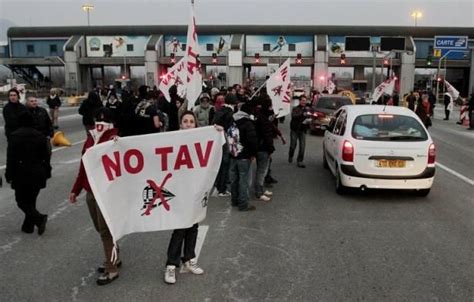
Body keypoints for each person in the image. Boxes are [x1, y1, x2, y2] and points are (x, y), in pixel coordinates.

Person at [69, 108, 121, 285]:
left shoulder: (116, 139)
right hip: (91, 191)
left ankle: (111, 268)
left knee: (105, 230)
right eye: (98, 120)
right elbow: (84, 166)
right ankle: (114, 255)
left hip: (107, 192)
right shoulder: (91, 138)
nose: (101, 123)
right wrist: (75, 190)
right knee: (99, 228)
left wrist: (117, 143)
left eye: (104, 120)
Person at [164, 111, 206, 285]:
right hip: (178, 191)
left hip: (195, 191)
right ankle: (171, 266)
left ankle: (189, 259)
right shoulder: (171, 140)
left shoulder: (202, 140)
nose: (188, 124)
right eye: (185, 121)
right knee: (180, 228)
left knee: (193, 226)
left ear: (195, 125)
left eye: (191, 121)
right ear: (181, 124)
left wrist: (218, 131)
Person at [5, 112, 50, 234]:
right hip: (37, 170)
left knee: (21, 200)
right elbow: (46, 155)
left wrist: (8, 174)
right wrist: (47, 170)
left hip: (21, 171)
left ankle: (39, 218)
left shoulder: (14, 136)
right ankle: (28, 226)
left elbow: (11, 158)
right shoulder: (40, 136)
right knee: (31, 198)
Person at [229, 103, 258, 211]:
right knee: (244, 180)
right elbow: (252, 140)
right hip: (244, 156)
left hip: (233, 154)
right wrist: (253, 154)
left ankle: (234, 200)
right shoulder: (248, 123)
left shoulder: (233, 121)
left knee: (234, 179)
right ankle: (243, 203)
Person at [212, 94, 237, 197]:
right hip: (226, 141)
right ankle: (222, 189)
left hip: (217, 141)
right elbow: (231, 129)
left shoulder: (219, 110)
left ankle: (218, 187)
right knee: (225, 164)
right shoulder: (230, 113)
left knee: (219, 164)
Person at [254, 103, 275, 201]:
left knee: (262, 170)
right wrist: (270, 148)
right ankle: (259, 192)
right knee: (261, 171)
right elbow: (267, 135)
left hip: (261, 147)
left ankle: (261, 189)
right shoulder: (263, 120)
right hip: (263, 148)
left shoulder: (259, 118)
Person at [289, 95, 311, 168]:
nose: (304, 102)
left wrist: (309, 121)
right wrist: (302, 114)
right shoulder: (295, 108)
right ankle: (290, 155)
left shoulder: (307, 109)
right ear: (300, 101)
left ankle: (300, 161)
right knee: (293, 145)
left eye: (305, 100)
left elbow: (309, 117)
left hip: (302, 130)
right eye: (303, 100)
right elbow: (294, 116)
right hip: (295, 130)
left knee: (302, 146)